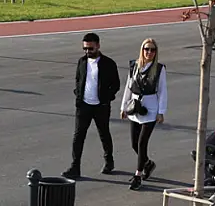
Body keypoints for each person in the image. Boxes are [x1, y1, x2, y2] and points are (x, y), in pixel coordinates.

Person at [62, 33, 121, 179]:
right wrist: (78, 94)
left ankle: (109, 161)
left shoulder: (108, 63)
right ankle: (75, 167)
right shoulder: (82, 62)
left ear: (98, 46)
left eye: (90, 48)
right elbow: (78, 79)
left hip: (101, 106)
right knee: (78, 136)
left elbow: (116, 84)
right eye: (85, 48)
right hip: (84, 106)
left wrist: (107, 98)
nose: (87, 51)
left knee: (104, 134)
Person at [120, 38, 167, 190]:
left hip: (150, 109)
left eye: (152, 50)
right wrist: (123, 107)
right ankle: (148, 163)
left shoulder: (159, 69)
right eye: (147, 49)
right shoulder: (134, 66)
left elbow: (162, 91)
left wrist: (161, 112)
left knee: (142, 143)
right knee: (134, 143)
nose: (149, 52)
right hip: (135, 107)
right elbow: (128, 87)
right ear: (142, 50)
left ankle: (138, 175)